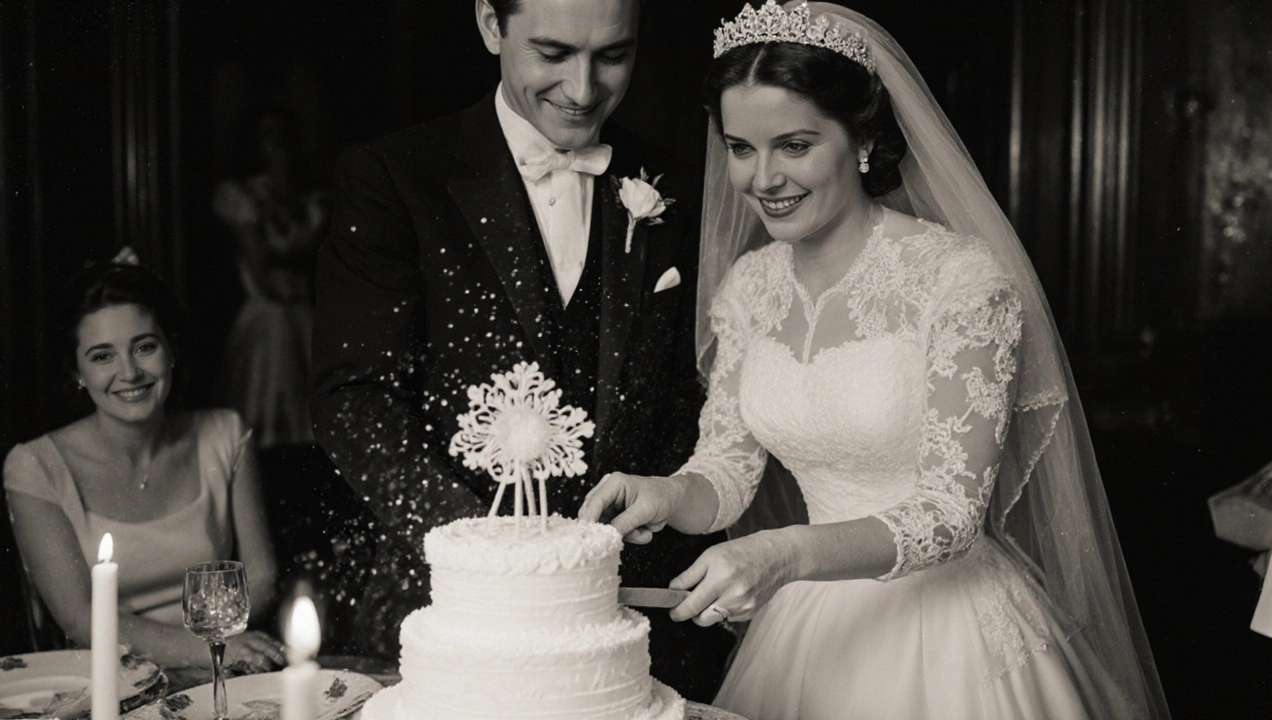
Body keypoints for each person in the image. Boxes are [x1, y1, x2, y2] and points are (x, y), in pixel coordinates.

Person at [579, 2, 1170, 717]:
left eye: (794, 145)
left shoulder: (959, 280)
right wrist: (668, 494)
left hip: (949, 640)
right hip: (806, 631)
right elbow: (728, 470)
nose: (762, 178)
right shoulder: (752, 284)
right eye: (741, 148)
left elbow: (952, 515)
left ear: (861, 138)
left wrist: (784, 555)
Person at [309, 0, 732, 699]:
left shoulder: (679, 187)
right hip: (456, 613)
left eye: (612, 55)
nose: (584, 88)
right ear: (489, 24)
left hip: (632, 635)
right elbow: (353, 400)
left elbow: (696, 387)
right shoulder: (393, 177)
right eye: (554, 53)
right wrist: (496, 560)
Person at [4, 249, 284, 671]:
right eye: (102, 356)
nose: (130, 372)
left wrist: (219, 654)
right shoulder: (34, 466)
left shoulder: (225, 434)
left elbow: (261, 578)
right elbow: (81, 618)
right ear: (77, 372)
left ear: (171, 350)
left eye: (144, 347)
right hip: (112, 681)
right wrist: (205, 649)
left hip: (229, 664)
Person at [213, 105, 328, 448]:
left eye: (283, 134)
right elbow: (259, 263)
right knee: (268, 404)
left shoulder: (312, 196)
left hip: (305, 311)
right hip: (269, 311)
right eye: (267, 135)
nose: (277, 144)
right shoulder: (243, 196)